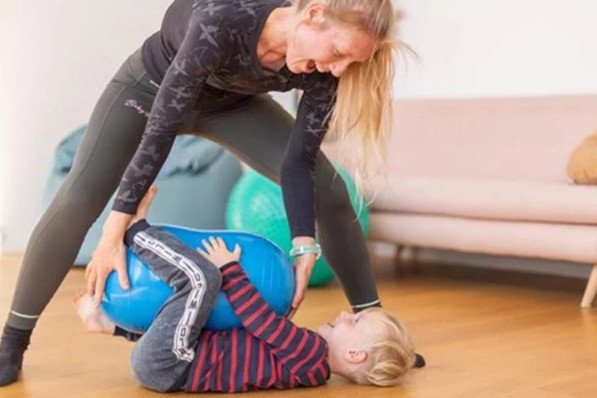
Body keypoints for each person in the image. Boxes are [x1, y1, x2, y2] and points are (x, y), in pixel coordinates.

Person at [0, 0, 408, 386]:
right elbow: (162, 127)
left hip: (231, 107)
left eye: (350, 62)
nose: (338, 70)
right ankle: (12, 343)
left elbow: (298, 162)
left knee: (332, 191)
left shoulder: (322, 68)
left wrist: (305, 245)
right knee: (79, 199)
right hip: (150, 89)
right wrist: (115, 229)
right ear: (314, 13)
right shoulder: (223, 17)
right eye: (338, 52)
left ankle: (371, 331)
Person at [73, 186, 420, 392]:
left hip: (172, 364)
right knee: (200, 317)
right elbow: (240, 331)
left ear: (354, 355)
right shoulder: (309, 369)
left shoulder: (312, 353)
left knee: (204, 279)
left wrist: (231, 270)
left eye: (354, 323)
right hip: (172, 361)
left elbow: (260, 322)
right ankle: (108, 324)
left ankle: (136, 231)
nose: (345, 314)